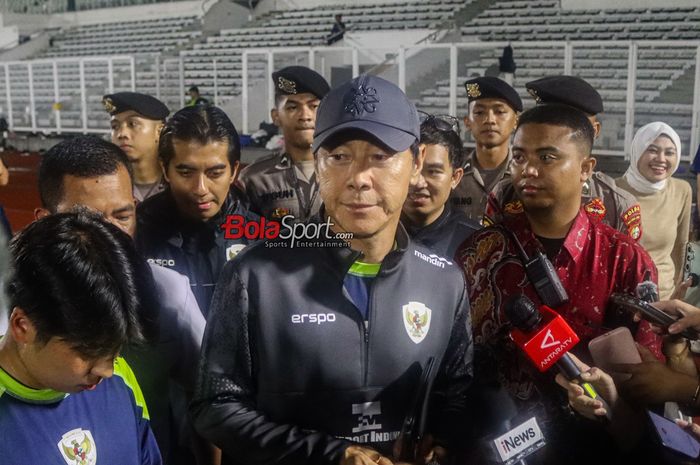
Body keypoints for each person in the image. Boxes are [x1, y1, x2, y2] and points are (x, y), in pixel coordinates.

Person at [192, 75, 473, 465]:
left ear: (417, 163)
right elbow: (215, 407)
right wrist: (331, 455)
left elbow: (456, 395)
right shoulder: (253, 276)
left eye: (380, 156)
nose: (359, 178)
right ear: (317, 160)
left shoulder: (445, 281)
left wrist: (442, 443)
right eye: (339, 156)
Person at [456, 103, 662, 464]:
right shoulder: (479, 253)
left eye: (547, 157)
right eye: (519, 157)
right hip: (489, 446)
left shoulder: (624, 259)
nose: (527, 170)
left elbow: (647, 386)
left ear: (586, 169)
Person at [35, 136, 213, 465]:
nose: (110, 235)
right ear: (45, 220)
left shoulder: (169, 292)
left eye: (122, 215)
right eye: (87, 221)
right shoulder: (14, 308)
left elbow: (207, 394)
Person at [0, 211, 162, 465]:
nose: (107, 370)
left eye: (115, 349)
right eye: (89, 351)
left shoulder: (122, 380)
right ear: (23, 326)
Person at [136, 105, 257, 317]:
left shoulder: (259, 237)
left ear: (234, 171)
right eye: (186, 173)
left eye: (215, 173)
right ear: (165, 169)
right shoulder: (136, 234)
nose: (200, 189)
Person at [238, 66, 330, 221]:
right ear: (276, 116)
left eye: (314, 107)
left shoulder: (347, 172)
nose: (305, 116)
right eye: (293, 107)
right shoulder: (254, 179)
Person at [616, 123, 691, 300]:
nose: (661, 159)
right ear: (637, 151)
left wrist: (678, 296)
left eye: (669, 152)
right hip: (621, 296)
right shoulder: (612, 190)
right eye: (652, 150)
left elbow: (682, 246)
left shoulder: (682, 190)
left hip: (664, 297)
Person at [402, 113, 479, 257]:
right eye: (412, 169)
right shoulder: (371, 229)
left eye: (433, 172)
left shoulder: (476, 242)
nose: (419, 182)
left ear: (455, 177)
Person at [452, 76, 522, 223]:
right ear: (467, 122)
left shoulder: (525, 174)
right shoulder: (452, 174)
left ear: (516, 121)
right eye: (479, 113)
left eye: (500, 111)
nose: (490, 120)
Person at [103, 92, 170, 202]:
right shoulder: (105, 185)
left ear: (160, 131)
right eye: (115, 126)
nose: (121, 134)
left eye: (132, 124)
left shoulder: (178, 183)